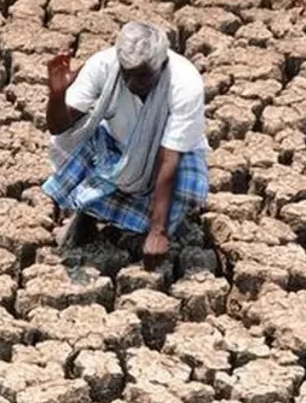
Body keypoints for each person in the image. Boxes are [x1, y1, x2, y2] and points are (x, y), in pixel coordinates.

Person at [42, 20, 210, 271]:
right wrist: (57, 96)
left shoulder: (184, 84)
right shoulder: (104, 65)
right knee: (80, 140)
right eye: (126, 73)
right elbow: (60, 128)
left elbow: (169, 159)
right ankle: (88, 213)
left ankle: (147, 225)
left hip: (169, 157)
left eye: (142, 76)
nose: (131, 83)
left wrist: (158, 231)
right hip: (117, 149)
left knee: (189, 186)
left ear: (161, 65)